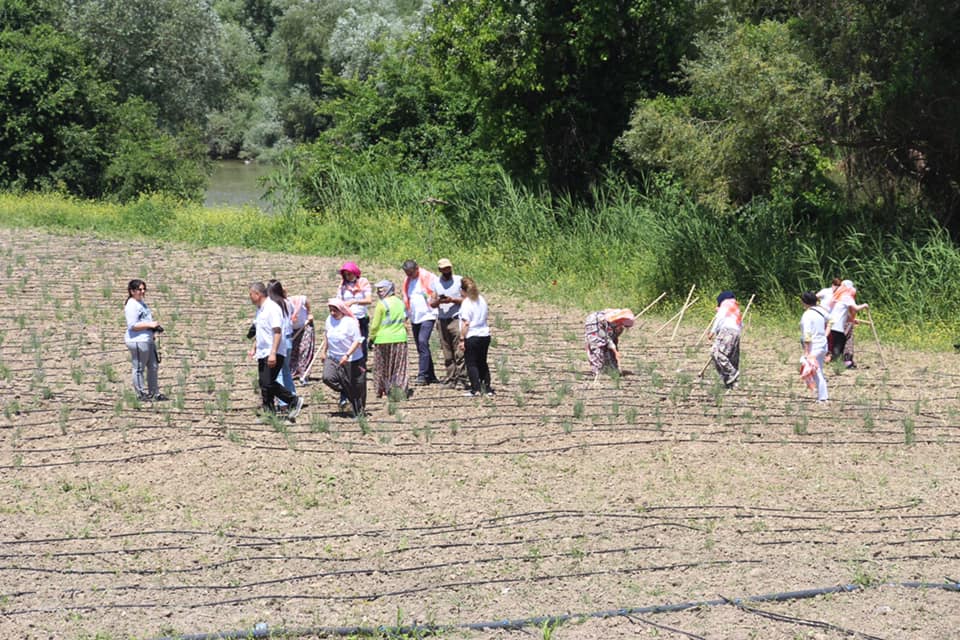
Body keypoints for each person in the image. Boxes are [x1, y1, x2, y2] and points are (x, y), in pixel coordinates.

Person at [249, 282, 303, 419]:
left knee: (268, 382)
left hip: (273, 351)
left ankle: (293, 400)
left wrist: (273, 352)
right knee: (264, 384)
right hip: (263, 351)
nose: (249, 297)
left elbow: (277, 331)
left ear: (258, 294)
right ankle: (269, 413)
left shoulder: (272, 308)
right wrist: (255, 346)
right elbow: (262, 330)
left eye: (250, 294)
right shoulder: (260, 309)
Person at [320, 298, 366, 416]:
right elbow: (327, 336)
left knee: (355, 385)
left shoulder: (350, 322)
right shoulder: (329, 320)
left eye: (335, 311)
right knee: (327, 377)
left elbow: (357, 341)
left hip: (351, 358)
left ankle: (359, 411)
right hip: (333, 356)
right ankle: (345, 392)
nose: (332, 313)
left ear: (341, 310)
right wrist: (323, 351)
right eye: (330, 310)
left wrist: (347, 355)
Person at [123, 279, 167, 401]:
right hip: (137, 340)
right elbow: (133, 325)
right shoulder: (131, 305)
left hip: (147, 339)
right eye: (139, 289)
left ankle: (154, 393)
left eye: (144, 289)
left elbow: (144, 320)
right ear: (132, 291)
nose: (142, 292)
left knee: (153, 366)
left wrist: (153, 331)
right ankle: (141, 394)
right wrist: (151, 325)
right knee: (139, 368)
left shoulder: (141, 303)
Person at [368, 280, 410, 399]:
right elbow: (405, 318)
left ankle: (383, 390)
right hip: (400, 339)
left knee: (383, 367)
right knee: (399, 366)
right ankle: (398, 390)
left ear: (388, 290)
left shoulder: (382, 304)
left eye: (381, 289)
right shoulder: (400, 303)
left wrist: (371, 339)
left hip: (383, 340)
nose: (378, 292)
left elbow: (375, 325)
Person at [430, 258, 467, 388]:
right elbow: (432, 302)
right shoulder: (435, 282)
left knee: (459, 350)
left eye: (448, 268)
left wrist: (452, 300)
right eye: (444, 269)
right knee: (447, 351)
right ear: (440, 270)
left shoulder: (459, 280)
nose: (447, 271)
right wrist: (439, 301)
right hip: (442, 319)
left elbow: (466, 299)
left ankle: (462, 378)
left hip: (456, 318)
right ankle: (451, 378)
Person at [402, 259, 440, 385]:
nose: (409, 275)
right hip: (415, 316)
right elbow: (408, 299)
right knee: (420, 346)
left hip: (428, 314)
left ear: (417, 268)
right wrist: (405, 316)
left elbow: (437, 293)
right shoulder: (407, 281)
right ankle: (431, 375)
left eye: (411, 273)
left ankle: (422, 375)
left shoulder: (429, 277)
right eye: (407, 273)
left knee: (423, 342)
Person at [458, 277, 495, 397]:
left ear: (463, 290)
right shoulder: (481, 300)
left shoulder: (466, 303)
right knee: (482, 362)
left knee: (471, 363)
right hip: (484, 335)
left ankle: (476, 389)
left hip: (472, 335)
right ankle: (487, 388)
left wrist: (462, 339)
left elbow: (466, 323)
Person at [268, 280, 296, 410]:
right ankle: (292, 397)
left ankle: (283, 402)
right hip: (289, 339)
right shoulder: (287, 302)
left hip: (279, 340)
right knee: (286, 372)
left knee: (277, 373)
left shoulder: (272, 304)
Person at [336, 262, 372, 361]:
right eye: (345, 275)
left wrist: (354, 301)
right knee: (348, 341)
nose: (347, 277)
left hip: (360, 317)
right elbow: (338, 300)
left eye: (349, 274)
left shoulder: (363, 282)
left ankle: (362, 364)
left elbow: (368, 300)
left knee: (362, 341)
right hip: (347, 318)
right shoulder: (342, 285)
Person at [827, 279, 869, 366]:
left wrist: (852, 320)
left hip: (831, 323)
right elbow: (856, 308)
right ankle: (836, 360)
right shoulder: (847, 297)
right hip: (837, 325)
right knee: (840, 342)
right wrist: (864, 305)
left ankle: (837, 359)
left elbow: (843, 313)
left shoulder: (838, 297)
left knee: (839, 341)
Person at [584, 308, 636, 376]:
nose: (623, 328)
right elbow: (603, 335)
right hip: (595, 326)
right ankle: (598, 369)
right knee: (598, 347)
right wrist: (609, 342)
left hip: (605, 329)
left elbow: (613, 339)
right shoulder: (606, 319)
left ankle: (611, 368)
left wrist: (612, 346)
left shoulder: (619, 326)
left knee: (609, 349)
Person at [708, 291, 742, 389]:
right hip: (736, 333)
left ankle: (732, 373)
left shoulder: (725, 305)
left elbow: (719, 318)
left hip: (727, 331)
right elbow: (739, 324)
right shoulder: (736, 308)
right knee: (732, 358)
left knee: (716, 352)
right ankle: (732, 383)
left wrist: (713, 331)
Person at [799, 291, 829, 403]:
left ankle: (823, 398)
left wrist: (806, 352)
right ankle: (822, 396)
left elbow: (807, 335)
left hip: (814, 347)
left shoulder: (807, 315)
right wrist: (826, 334)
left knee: (816, 372)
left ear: (805, 302)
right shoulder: (820, 311)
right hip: (823, 344)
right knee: (819, 370)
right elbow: (831, 320)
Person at [287, 292, 316, 384]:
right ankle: (293, 372)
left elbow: (305, 300)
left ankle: (304, 374)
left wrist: (309, 313)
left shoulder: (294, 300)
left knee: (304, 349)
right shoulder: (279, 307)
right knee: (293, 351)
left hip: (305, 325)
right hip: (292, 330)